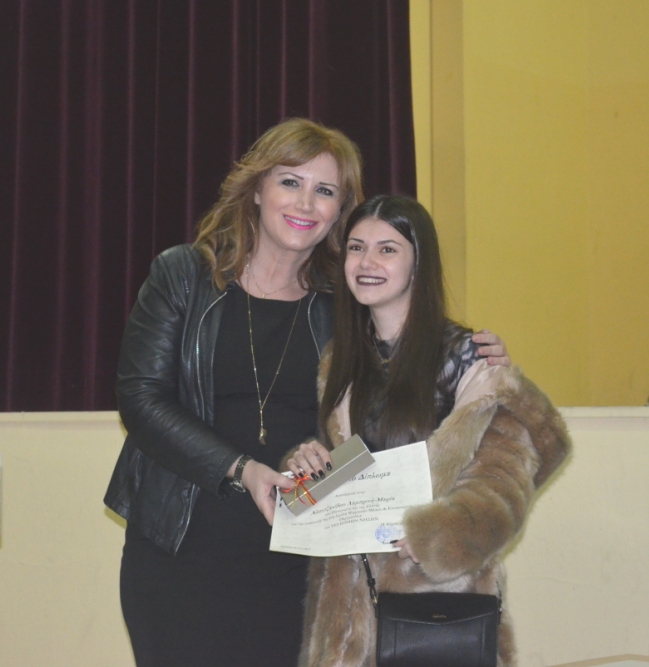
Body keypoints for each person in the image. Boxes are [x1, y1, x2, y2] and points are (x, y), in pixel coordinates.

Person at [104, 120, 511, 667]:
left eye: (325, 191)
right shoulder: (184, 274)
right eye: (290, 182)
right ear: (257, 188)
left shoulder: (343, 300)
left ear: (340, 210)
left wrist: (471, 356)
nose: (305, 203)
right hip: (180, 552)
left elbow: (406, 362)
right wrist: (243, 469)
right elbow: (141, 398)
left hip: (303, 563)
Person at [285, 195, 570, 667]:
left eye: (387, 249)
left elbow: (506, 483)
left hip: (438, 610)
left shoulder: (468, 356)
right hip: (347, 619)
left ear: (419, 263)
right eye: (356, 247)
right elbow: (351, 475)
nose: (367, 262)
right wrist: (307, 475)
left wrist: (437, 536)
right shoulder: (339, 361)